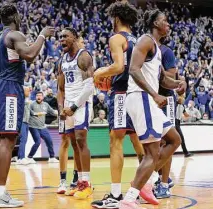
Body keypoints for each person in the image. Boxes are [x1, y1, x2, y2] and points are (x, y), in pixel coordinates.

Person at [0, 4, 54, 208]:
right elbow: (30, 55)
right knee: (8, 139)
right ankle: (0, 193)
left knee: (0, 139)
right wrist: (42, 35)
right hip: (9, 87)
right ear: (16, 16)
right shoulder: (15, 35)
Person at [122, 9, 186, 208]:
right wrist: (154, 94)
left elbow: (162, 79)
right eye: (165, 20)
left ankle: (145, 183)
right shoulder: (146, 40)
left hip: (148, 100)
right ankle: (130, 198)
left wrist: (177, 83)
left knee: (174, 139)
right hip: (141, 98)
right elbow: (133, 69)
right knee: (152, 153)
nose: (168, 24)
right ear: (155, 23)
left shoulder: (157, 48)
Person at [91, 2, 144, 208]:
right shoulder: (137, 40)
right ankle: (147, 185)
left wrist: (100, 72)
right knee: (138, 139)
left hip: (121, 93)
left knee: (116, 141)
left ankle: (115, 195)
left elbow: (118, 66)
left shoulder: (117, 38)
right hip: (136, 93)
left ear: (116, 19)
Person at [57, 27, 94, 199]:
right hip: (68, 107)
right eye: (60, 37)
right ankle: (80, 183)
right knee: (73, 144)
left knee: (81, 140)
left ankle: (87, 183)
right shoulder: (62, 60)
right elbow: (60, 88)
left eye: (66, 36)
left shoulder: (84, 56)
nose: (62, 39)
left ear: (75, 38)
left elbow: (89, 86)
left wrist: (73, 107)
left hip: (82, 104)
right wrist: (61, 108)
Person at [153, 43, 177, 199]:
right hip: (151, 98)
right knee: (152, 143)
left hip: (165, 99)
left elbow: (171, 77)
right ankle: (163, 178)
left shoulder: (166, 52)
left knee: (167, 141)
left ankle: (163, 185)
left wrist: (156, 72)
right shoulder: (143, 49)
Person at [27, 91, 59, 163]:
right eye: (37, 95)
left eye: (40, 96)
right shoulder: (31, 104)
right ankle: (29, 157)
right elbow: (28, 113)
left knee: (49, 141)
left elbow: (53, 112)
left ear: (42, 97)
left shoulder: (46, 104)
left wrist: (59, 111)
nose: (38, 97)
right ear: (35, 97)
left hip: (43, 127)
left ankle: (52, 157)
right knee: (37, 142)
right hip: (33, 126)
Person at [17, 86, 33, 165]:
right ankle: (22, 158)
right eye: (27, 91)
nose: (29, 92)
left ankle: (20, 158)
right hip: (22, 122)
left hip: (26, 122)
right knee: (23, 140)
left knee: (24, 140)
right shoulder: (21, 99)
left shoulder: (27, 100)